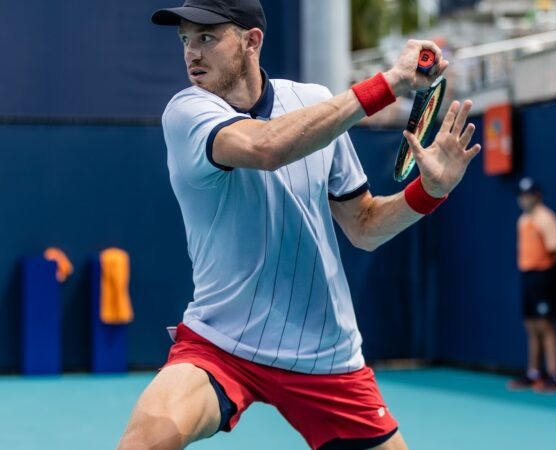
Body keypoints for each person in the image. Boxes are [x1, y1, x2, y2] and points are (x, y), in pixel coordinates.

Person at [117, 1, 480, 449]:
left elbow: (364, 226)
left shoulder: (314, 104)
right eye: (186, 40)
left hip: (325, 354)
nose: (192, 52)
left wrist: (430, 192)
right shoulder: (186, 112)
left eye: (207, 37)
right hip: (222, 342)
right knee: (146, 441)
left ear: (251, 42)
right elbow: (267, 147)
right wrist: (388, 83)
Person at [508, 177, 556, 393]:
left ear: (537, 196)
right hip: (528, 276)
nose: (524, 199)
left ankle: (554, 375)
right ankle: (534, 373)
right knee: (531, 325)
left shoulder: (546, 219)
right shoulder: (523, 220)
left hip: (544, 276)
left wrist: (548, 271)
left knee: (545, 325)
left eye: (528, 194)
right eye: (521, 195)